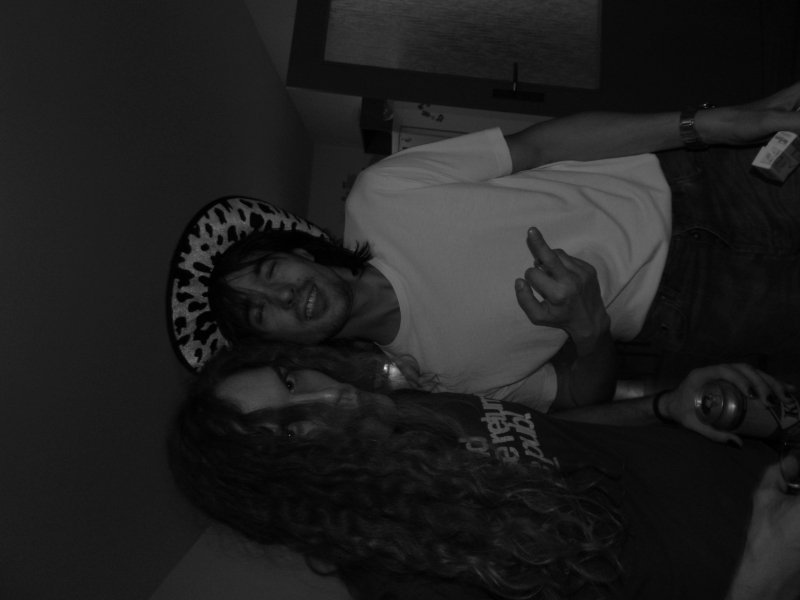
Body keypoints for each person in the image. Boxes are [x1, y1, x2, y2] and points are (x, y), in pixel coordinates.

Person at [169, 82, 800, 413]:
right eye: (261, 312)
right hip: (698, 309)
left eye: (269, 271)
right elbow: (580, 398)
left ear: (300, 252)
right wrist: (589, 330)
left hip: (701, 181)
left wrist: (706, 124)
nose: (283, 294)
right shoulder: (436, 382)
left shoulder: (380, 194)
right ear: (282, 345)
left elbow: (543, 145)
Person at [169, 344, 800, 600]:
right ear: (283, 490)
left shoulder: (404, 409)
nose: (326, 396)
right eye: (288, 430)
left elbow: (555, 433)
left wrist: (662, 406)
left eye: (289, 380)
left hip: (762, 463)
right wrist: (757, 586)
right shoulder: (404, 575)